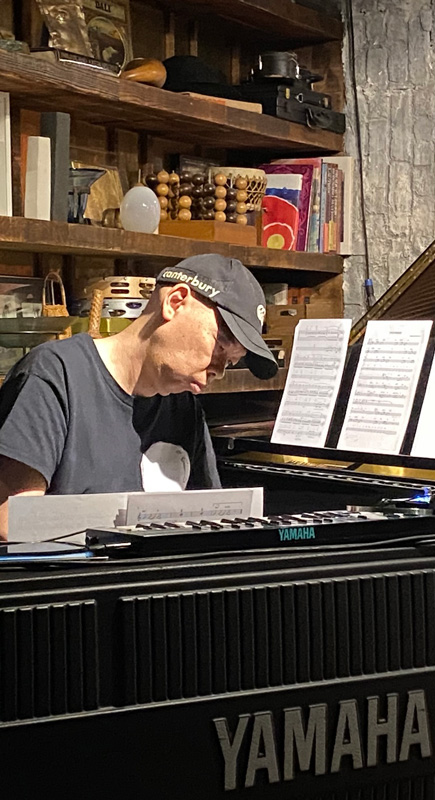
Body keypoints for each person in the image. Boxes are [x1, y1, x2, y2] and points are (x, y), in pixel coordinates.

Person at [0, 254, 277, 538]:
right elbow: (13, 523)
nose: (219, 370)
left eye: (231, 361)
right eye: (220, 346)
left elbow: (210, 528)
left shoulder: (184, 408)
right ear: (175, 302)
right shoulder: (56, 375)